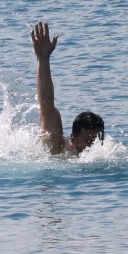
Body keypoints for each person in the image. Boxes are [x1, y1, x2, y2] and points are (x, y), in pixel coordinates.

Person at [31, 21, 105, 156]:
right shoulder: (57, 149)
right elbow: (46, 106)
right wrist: (43, 59)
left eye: (98, 140)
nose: (94, 146)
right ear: (74, 138)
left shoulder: (103, 154)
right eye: (89, 141)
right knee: (52, 116)